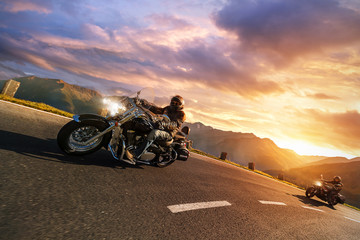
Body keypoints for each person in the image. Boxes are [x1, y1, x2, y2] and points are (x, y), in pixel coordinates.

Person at [125, 95, 186, 163]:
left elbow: (174, 124)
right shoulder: (167, 109)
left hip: (168, 132)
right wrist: (142, 102)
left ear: (180, 105)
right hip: (160, 127)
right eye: (173, 102)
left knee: (154, 133)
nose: (174, 104)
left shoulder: (181, 115)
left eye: (176, 103)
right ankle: (127, 145)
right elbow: (156, 109)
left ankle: (136, 154)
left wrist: (164, 124)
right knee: (140, 123)